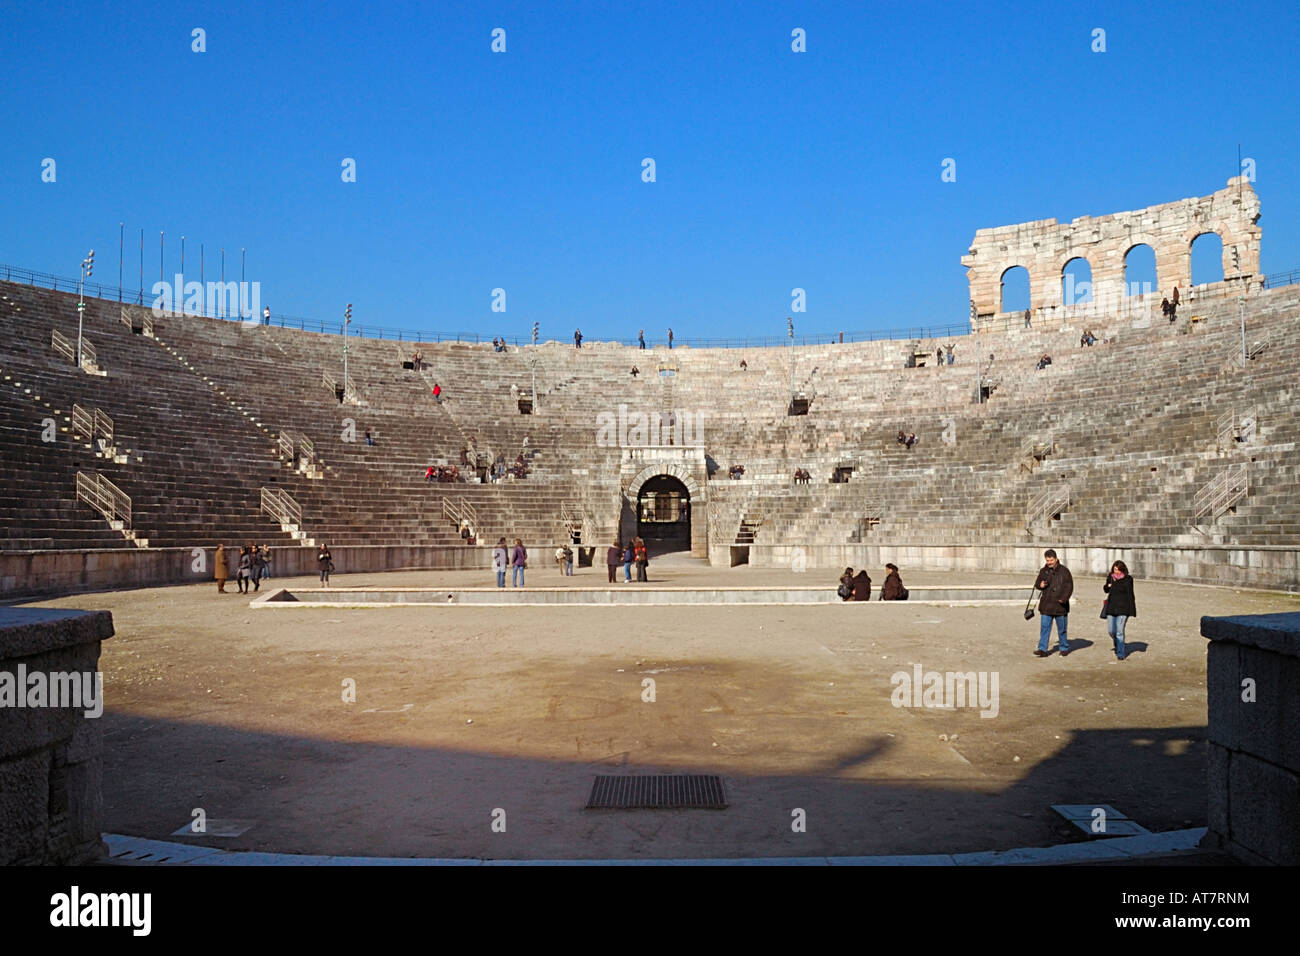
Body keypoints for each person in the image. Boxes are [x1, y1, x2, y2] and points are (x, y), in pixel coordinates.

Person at [1033, 548, 1073, 657]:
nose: (1049, 562)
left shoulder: (1064, 571)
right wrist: (1040, 585)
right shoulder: (1043, 571)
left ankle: (1064, 647)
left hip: (1060, 605)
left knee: (1062, 629)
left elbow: (1069, 587)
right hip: (1046, 604)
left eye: (1051, 560)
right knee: (1045, 628)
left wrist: (1063, 599)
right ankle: (1042, 649)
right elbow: (1037, 584)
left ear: (1056, 559)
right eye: (1047, 560)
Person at [1102, 560, 1137, 661]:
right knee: (1111, 631)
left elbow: (1130, 594)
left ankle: (1121, 653)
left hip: (1123, 608)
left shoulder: (1128, 579)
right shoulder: (1110, 577)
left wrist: (1132, 610)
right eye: (1114, 569)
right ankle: (1118, 645)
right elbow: (1106, 590)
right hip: (1111, 607)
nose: (1116, 571)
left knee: (1119, 631)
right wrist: (1107, 586)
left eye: (1118, 570)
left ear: (1122, 570)